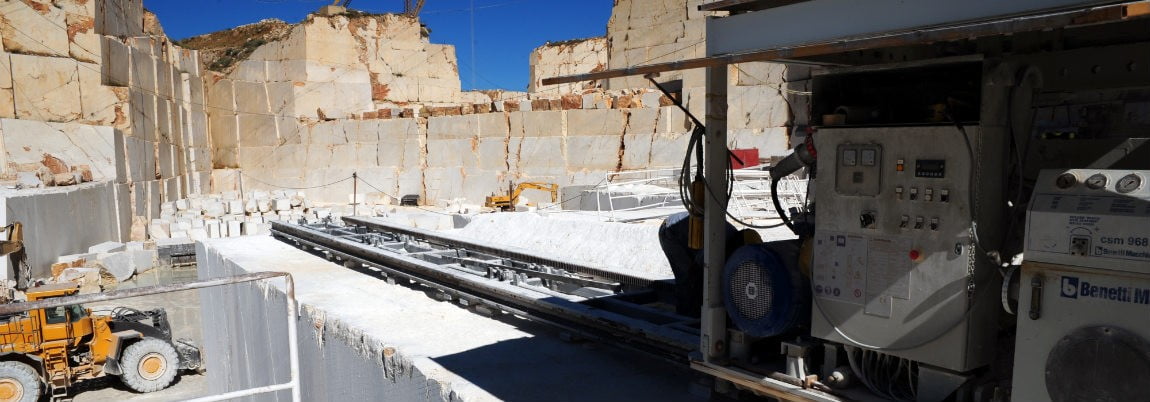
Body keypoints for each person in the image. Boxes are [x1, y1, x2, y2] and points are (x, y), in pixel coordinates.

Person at [658, 212, 761, 318]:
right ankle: (686, 318)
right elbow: (697, 269)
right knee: (687, 277)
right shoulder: (718, 242)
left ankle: (696, 310)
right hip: (670, 232)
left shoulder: (733, 240)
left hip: (686, 232)